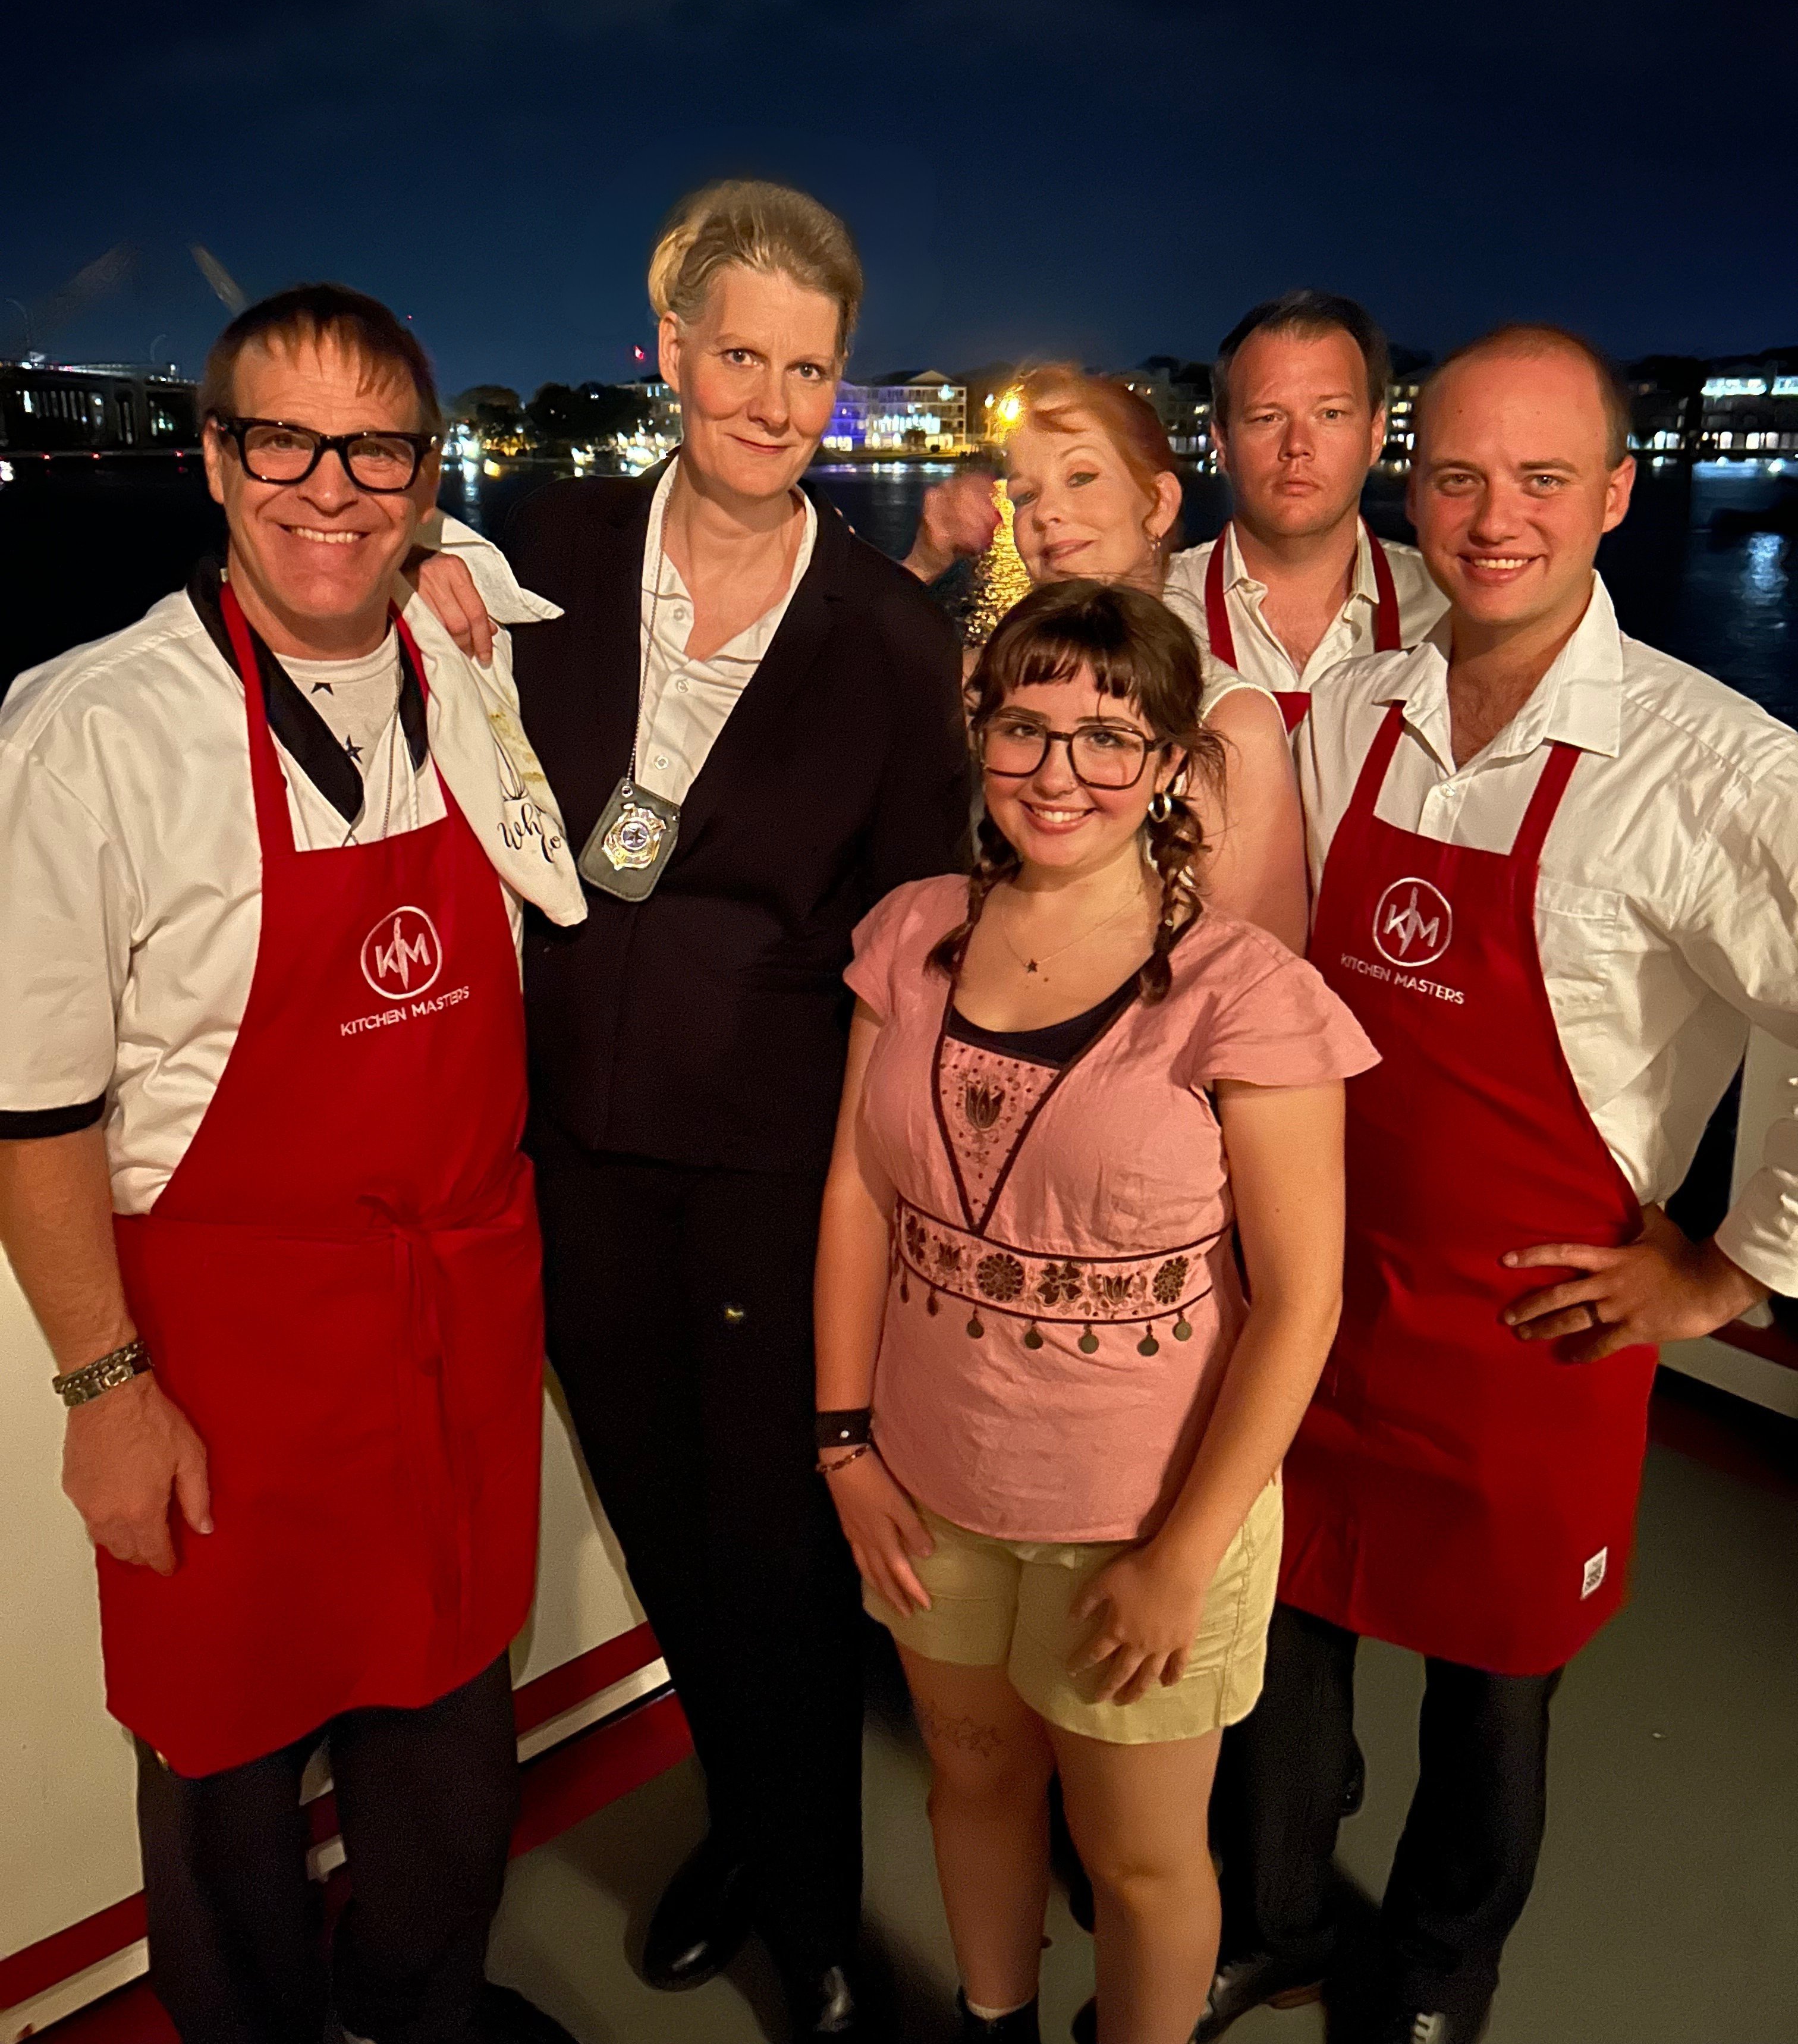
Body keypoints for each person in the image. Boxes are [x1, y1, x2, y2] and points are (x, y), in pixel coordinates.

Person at [416, 180, 971, 2039]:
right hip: (567, 1145)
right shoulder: (543, 551)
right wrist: (419, 577)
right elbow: (393, 633)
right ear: (670, 351)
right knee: (660, 1522)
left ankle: (814, 1928)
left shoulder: (890, 640)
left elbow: (913, 946)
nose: (771, 402)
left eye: (808, 371)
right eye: (740, 357)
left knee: (777, 1558)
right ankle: (747, 1823)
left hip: (770, 1169)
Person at [0, 285, 586, 2044]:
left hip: (450, 1325)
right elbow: (36, 1112)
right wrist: (103, 1389)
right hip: (226, 1359)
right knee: (223, 1777)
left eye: (377, 454)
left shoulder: (464, 669)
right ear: (212, 458)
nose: (330, 490)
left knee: (450, 1741)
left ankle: (418, 2012)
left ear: (424, 477)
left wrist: (456, 560)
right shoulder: (90, 732)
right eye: (283, 442)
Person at [1204, 326, 1798, 2044]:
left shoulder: (1712, 767)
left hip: (1534, 1322)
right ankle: (1276, 1921)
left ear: (1617, 493)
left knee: (1494, 1689)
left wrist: (1737, 1267)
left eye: (1543, 478)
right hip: (1323, 1286)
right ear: (1415, 485)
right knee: (1283, 1636)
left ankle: (1440, 1975)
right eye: (1459, 476)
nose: (1493, 518)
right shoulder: (1360, 712)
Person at [814, 582, 1375, 2044]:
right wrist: (844, 1444)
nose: (1059, 771)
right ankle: (994, 2018)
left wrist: (1184, 1556)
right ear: (982, 738)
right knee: (975, 1782)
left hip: (1138, 1512)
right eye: (1026, 727)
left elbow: (1300, 1301)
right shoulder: (912, 936)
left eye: (1109, 738)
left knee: (1139, 1858)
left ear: (1173, 765)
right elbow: (859, 1197)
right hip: (929, 1488)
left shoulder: (1244, 995)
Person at [905, 364, 1309, 953]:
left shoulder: (1228, 722)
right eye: (1025, 495)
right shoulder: (981, 682)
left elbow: (1263, 970)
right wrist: (923, 562)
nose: (1046, 512)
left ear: (1159, 504)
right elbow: (823, 696)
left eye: (1081, 477)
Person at [1161, 291, 1445, 730]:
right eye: (1267, 417)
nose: (1297, 446)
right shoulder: (1159, 611)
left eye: (1330, 414)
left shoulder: (1447, 614)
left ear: (1375, 434)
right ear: (1223, 441)